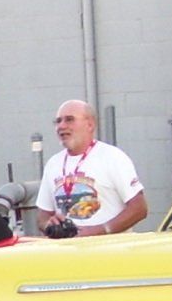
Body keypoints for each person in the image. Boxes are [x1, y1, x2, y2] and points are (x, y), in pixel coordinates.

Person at [39, 100, 147, 238]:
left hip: (109, 248)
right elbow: (43, 215)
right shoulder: (53, 163)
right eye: (58, 121)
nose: (61, 126)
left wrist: (102, 230)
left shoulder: (112, 157)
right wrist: (49, 225)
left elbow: (139, 208)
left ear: (90, 125)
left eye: (69, 119)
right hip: (68, 249)